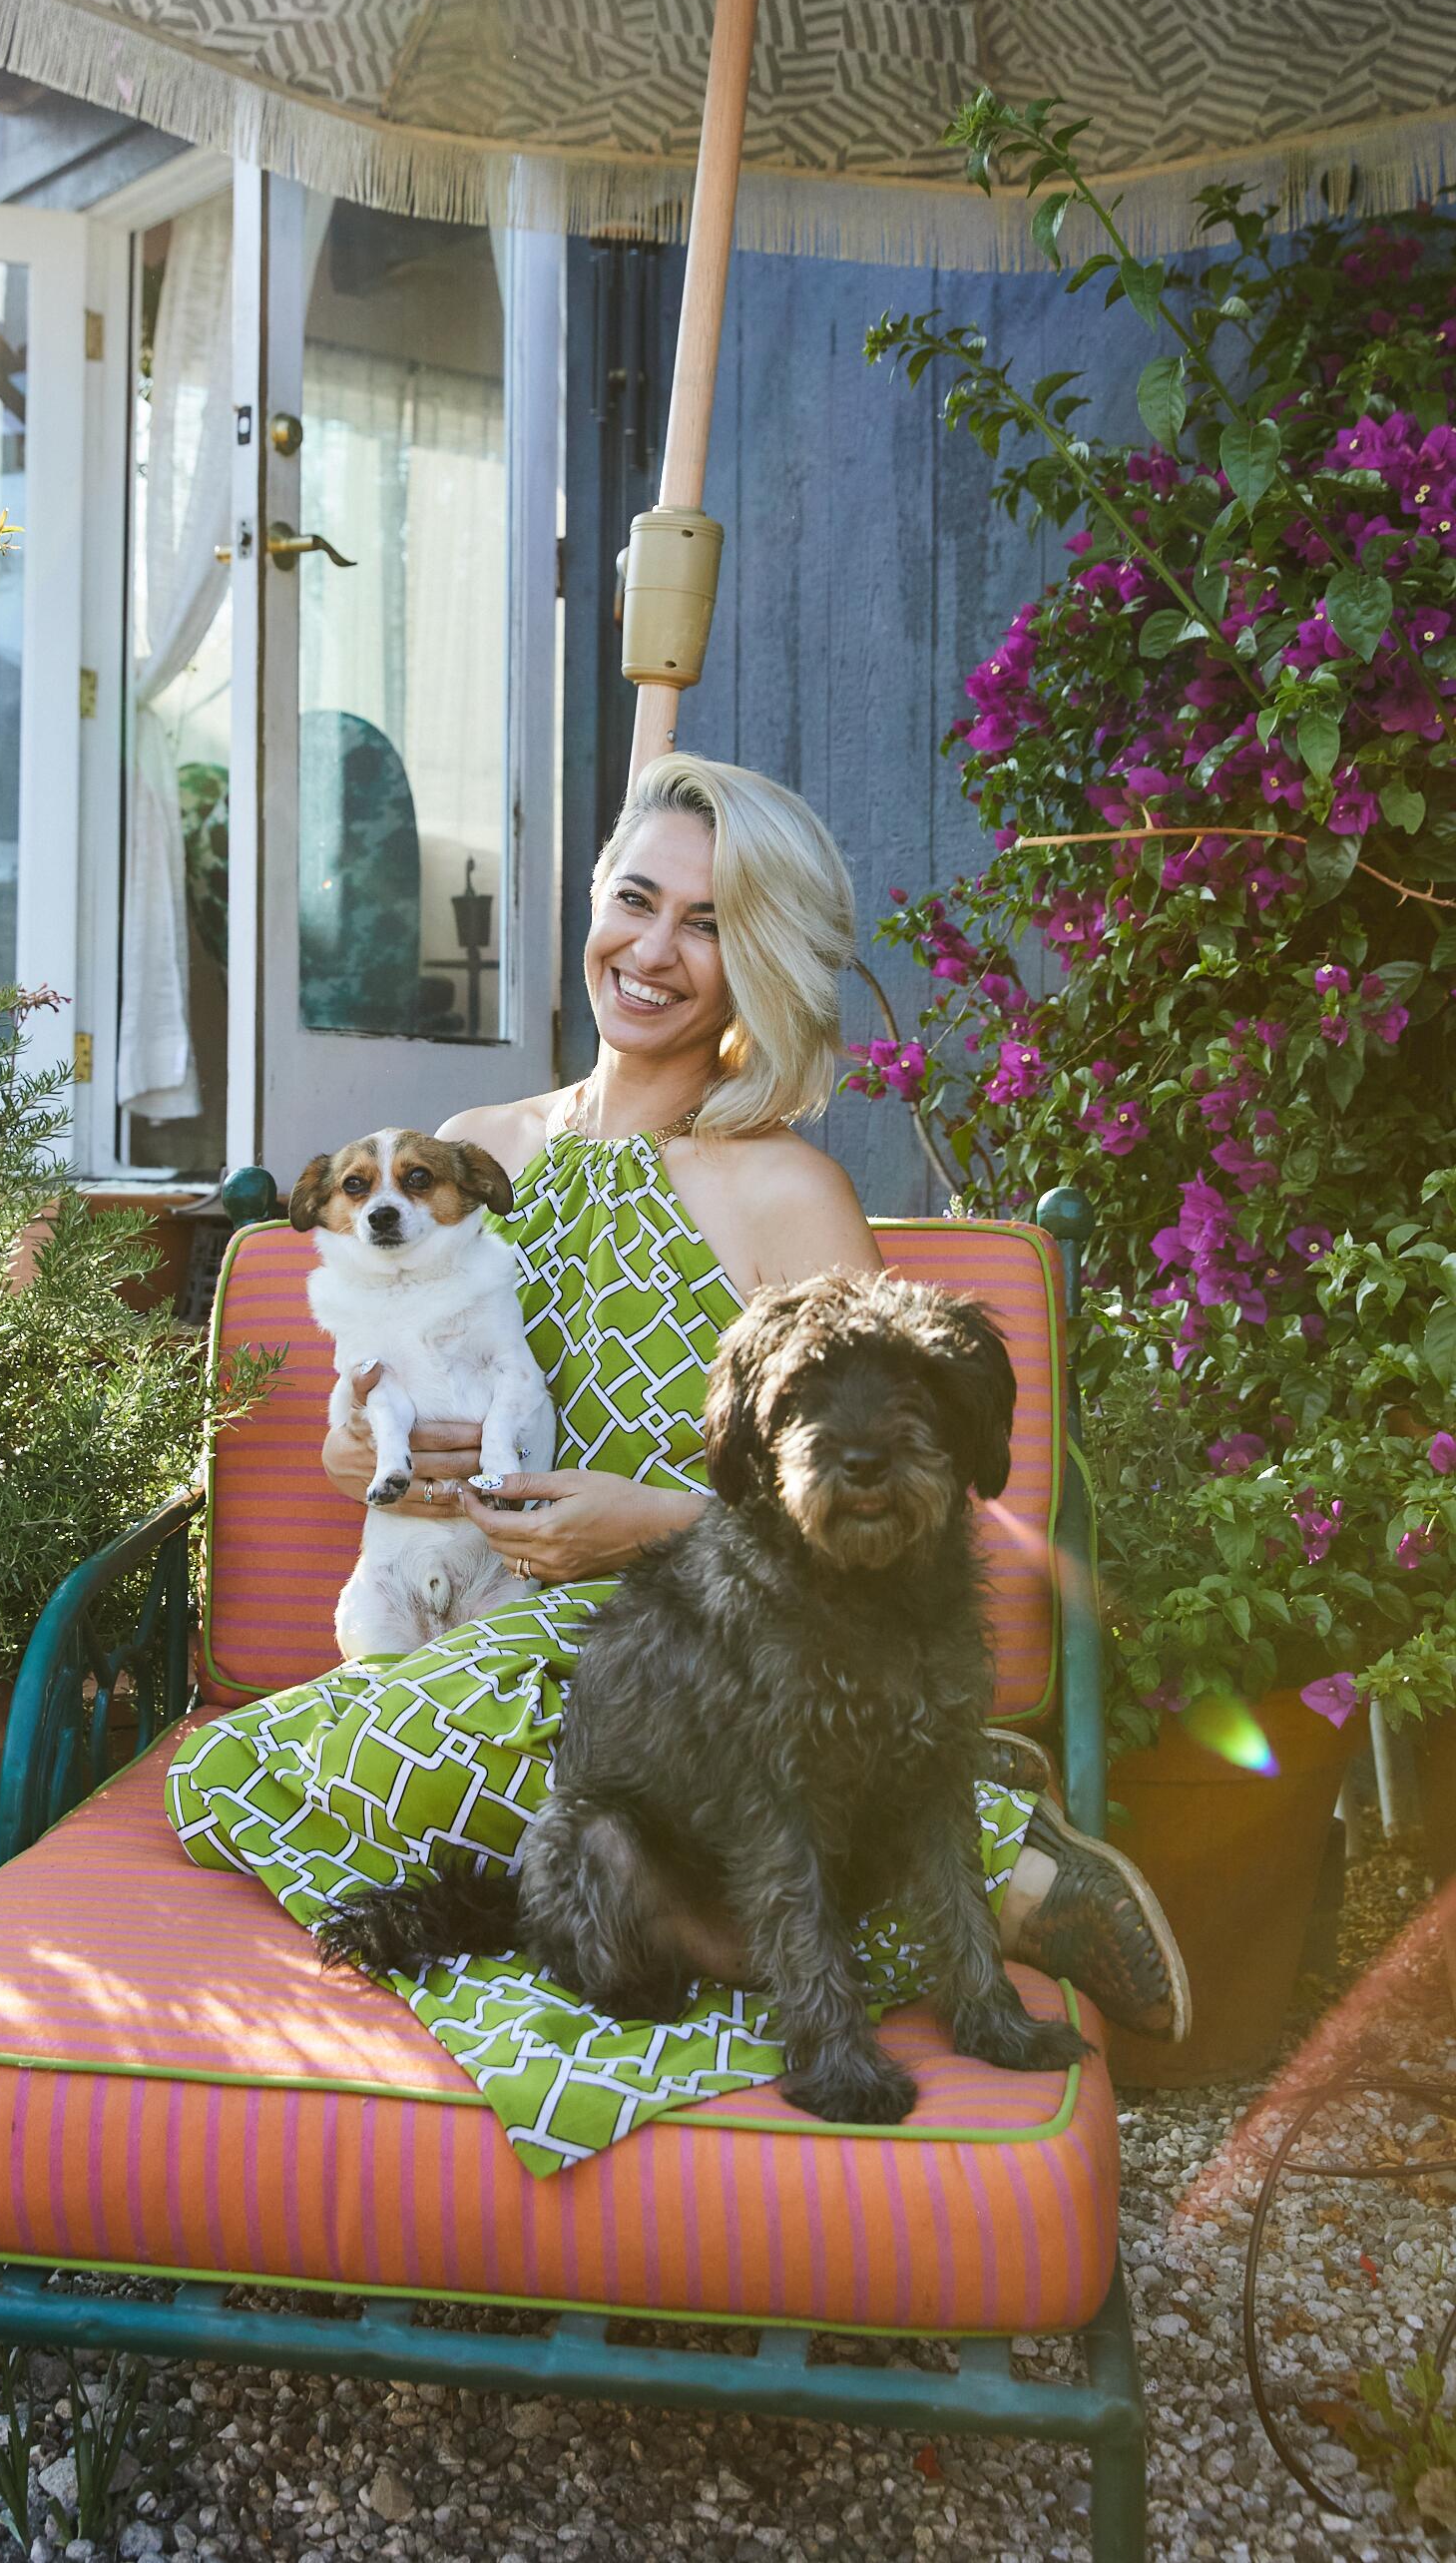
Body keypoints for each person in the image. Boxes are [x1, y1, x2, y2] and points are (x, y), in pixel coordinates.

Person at [170, 753, 1185, 2175]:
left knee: (463, 1756)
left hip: (721, 1651)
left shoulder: (782, 1185)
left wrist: (647, 1525)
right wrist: (362, 1451)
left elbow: (872, 1477)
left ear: (756, 956)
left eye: (703, 923)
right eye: (634, 902)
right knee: (252, 1768)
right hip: (492, 1624)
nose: (651, 951)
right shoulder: (474, 1152)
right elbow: (374, 1413)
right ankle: (791, 1914)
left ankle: (1001, 1851)